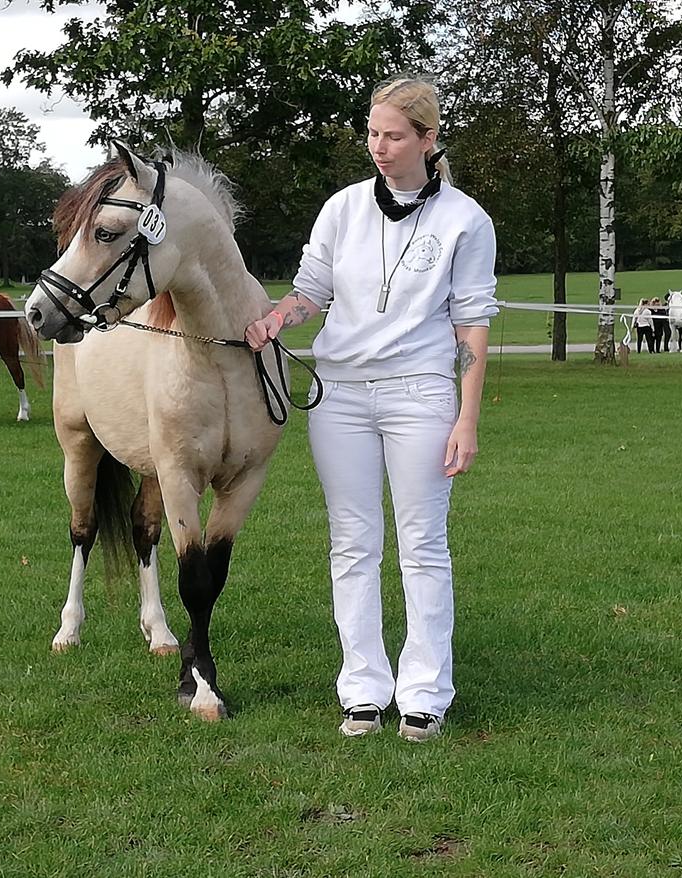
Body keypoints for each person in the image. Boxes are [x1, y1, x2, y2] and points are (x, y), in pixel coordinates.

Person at [244, 75, 498, 743]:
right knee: (352, 543)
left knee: (423, 546)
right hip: (341, 398)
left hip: (421, 395)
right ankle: (361, 689)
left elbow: (472, 324)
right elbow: (311, 291)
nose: (379, 148)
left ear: (427, 139)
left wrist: (467, 418)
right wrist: (277, 318)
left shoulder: (466, 220)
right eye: (372, 135)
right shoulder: (343, 208)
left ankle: (425, 694)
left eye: (393, 136)